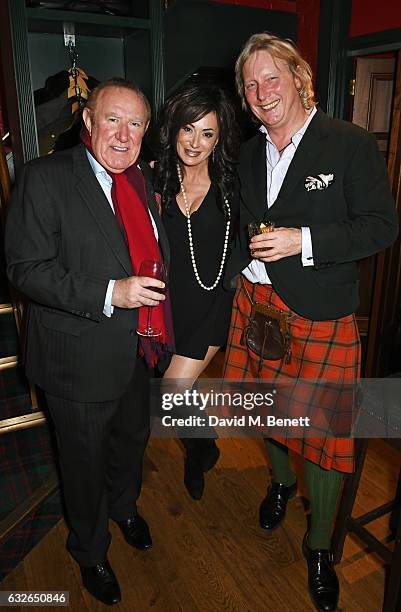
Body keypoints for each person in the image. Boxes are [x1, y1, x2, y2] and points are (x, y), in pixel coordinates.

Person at [223, 33, 398, 612]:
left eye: (272, 78)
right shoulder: (248, 152)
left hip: (321, 311)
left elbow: (381, 227)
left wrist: (305, 241)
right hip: (256, 303)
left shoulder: (346, 143)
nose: (261, 92)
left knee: (323, 437)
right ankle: (280, 481)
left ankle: (320, 545)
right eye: (251, 84)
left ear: (299, 79)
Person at [5, 78, 173, 606]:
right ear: (88, 123)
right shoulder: (44, 178)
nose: (123, 136)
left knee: (131, 443)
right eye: (112, 121)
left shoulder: (144, 182)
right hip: (76, 355)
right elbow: (25, 269)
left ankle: (124, 508)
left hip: (139, 348)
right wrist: (110, 292)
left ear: (146, 131)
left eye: (135, 124)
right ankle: (90, 550)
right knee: (82, 463)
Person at [154, 81, 240, 500]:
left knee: (169, 392)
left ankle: (198, 447)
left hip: (213, 306)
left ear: (219, 137)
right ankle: (202, 445)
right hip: (165, 309)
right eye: (188, 129)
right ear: (172, 129)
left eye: (207, 133)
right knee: (172, 391)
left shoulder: (234, 188)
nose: (195, 142)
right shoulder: (154, 179)